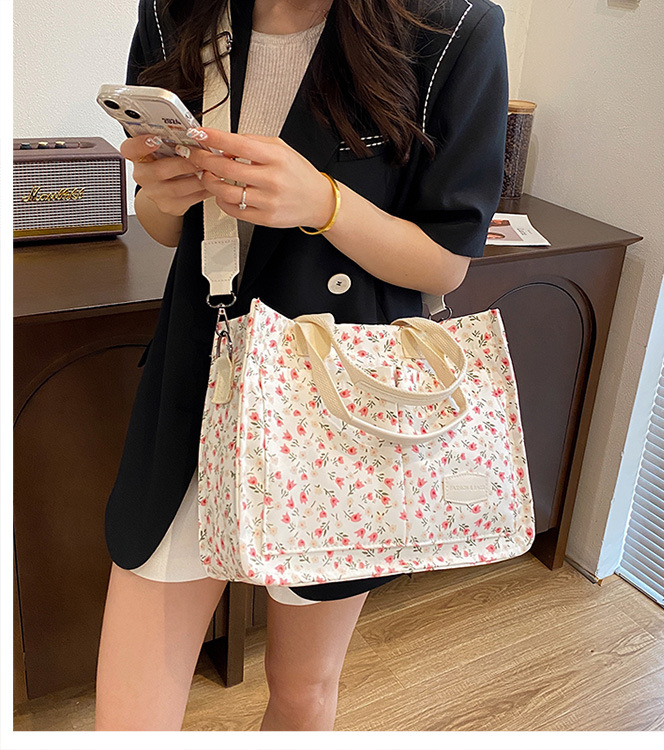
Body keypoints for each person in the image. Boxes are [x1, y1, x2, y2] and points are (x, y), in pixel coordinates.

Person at [95, 0, 509, 731]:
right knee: (127, 719)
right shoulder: (176, 11)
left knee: (301, 689)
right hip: (196, 381)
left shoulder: (450, 28)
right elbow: (164, 228)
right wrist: (159, 196)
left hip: (339, 402)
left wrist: (322, 201)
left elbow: (446, 262)